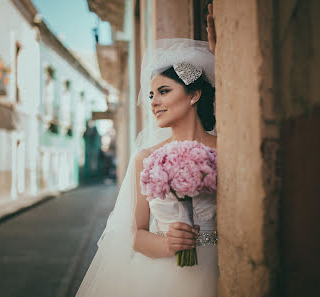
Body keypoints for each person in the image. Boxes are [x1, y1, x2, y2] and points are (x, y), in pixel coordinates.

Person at [76, 6, 218, 297]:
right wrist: (168, 244)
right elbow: (137, 235)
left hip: (220, 270)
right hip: (165, 277)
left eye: (164, 91)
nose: (153, 102)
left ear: (194, 94)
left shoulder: (225, 151)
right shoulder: (146, 158)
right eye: (152, 94)